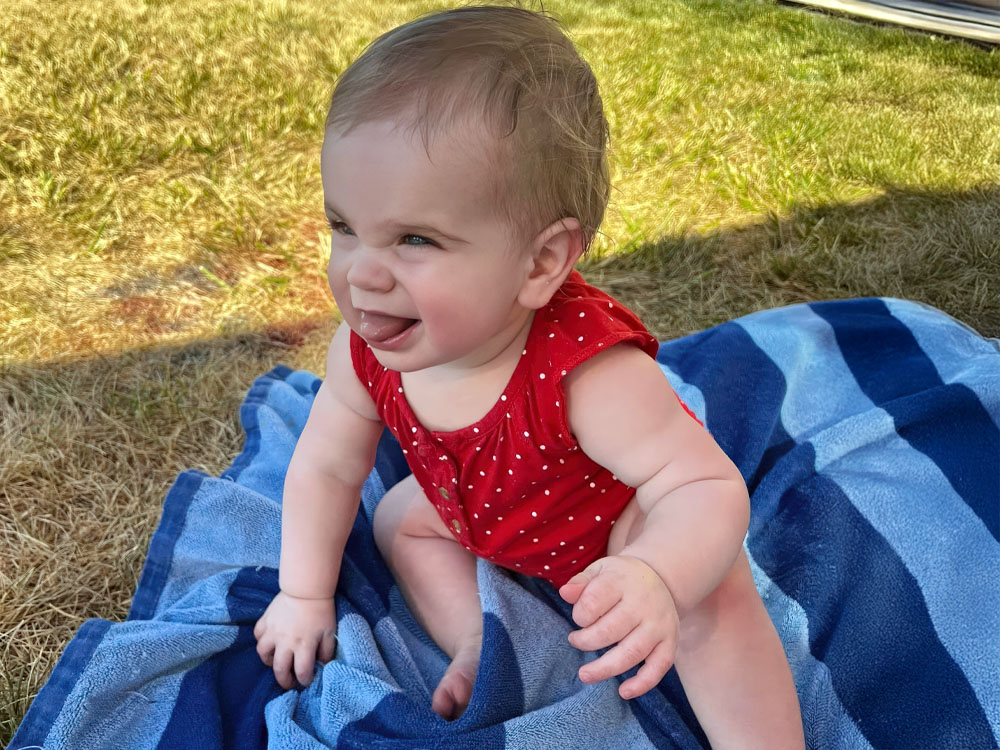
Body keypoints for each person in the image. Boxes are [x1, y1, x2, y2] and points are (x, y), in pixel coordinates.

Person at [254, 4, 804, 746]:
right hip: (478, 513)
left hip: (614, 532)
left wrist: (657, 575)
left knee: (715, 600)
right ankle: (479, 640)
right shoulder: (362, 351)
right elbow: (323, 466)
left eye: (415, 238)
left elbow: (704, 487)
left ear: (542, 262)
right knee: (398, 520)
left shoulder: (585, 371)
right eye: (345, 227)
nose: (361, 275)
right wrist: (301, 593)